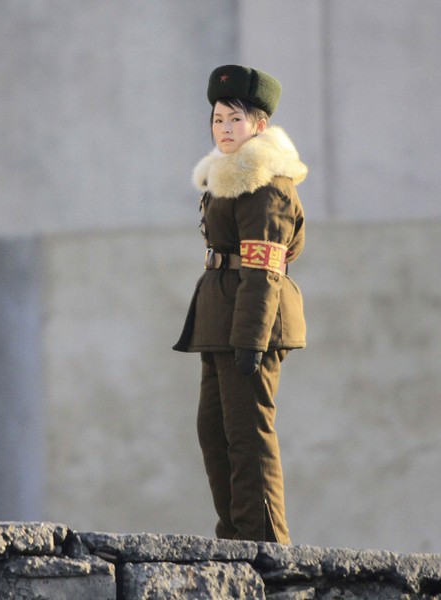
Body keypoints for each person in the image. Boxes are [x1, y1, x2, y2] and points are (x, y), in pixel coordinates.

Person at [173, 65, 308, 544]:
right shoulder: (226, 177)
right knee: (214, 431)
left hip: (251, 323)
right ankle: (234, 537)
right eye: (218, 119)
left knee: (248, 433)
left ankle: (265, 544)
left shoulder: (263, 182)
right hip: (220, 319)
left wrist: (251, 339)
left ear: (259, 125)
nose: (224, 128)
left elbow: (264, 270)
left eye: (235, 119)